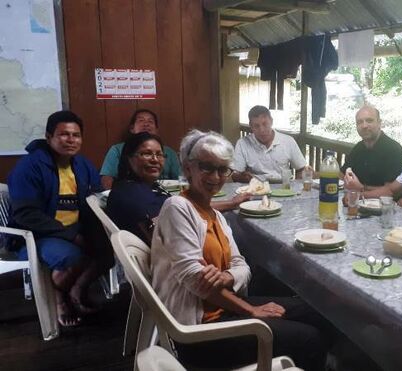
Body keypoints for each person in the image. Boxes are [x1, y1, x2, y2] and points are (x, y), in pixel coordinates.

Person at [151, 130, 328, 370]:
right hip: (200, 331)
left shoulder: (216, 216)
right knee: (309, 338)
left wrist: (227, 276)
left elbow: (241, 266)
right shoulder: (177, 208)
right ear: (188, 167)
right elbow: (196, 281)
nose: (216, 176)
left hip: (225, 306)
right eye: (206, 167)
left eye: (223, 169)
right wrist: (251, 310)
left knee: (316, 311)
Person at [7, 110, 114, 327]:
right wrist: (72, 235)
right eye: (64, 134)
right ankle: (60, 299)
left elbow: (96, 198)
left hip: (76, 229)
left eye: (76, 135)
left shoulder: (82, 165)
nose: (71, 140)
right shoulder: (29, 167)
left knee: (109, 253)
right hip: (37, 235)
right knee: (73, 257)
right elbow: (26, 214)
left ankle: (77, 290)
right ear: (49, 137)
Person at [106, 132, 251, 244]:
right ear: (129, 158)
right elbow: (167, 239)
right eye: (146, 154)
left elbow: (187, 208)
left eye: (159, 154)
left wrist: (231, 203)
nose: (155, 160)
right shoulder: (136, 197)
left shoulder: (136, 186)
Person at [99, 109, 181, 190]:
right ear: (132, 129)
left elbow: (180, 179)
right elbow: (107, 178)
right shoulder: (117, 149)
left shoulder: (170, 152)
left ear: (156, 130)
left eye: (150, 121)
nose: (146, 124)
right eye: (141, 120)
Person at [231, 105, 307, 183]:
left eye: (265, 124)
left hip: (284, 187)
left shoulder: (288, 141)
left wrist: (298, 185)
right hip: (255, 189)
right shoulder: (242, 143)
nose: (262, 130)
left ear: (271, 121)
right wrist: (244, 177)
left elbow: (301, 169)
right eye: (256, 126)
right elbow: (235, 174)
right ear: (251, 126)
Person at [340, 106, 402, 189]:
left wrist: (361, 188)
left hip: (384, 201)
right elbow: (342, 174)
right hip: (357, 199)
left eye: (369, 121)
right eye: (360, 122)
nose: (364, 126)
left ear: (379, 123)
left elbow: (392, 191)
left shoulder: (394, 150)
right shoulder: (358, 148)